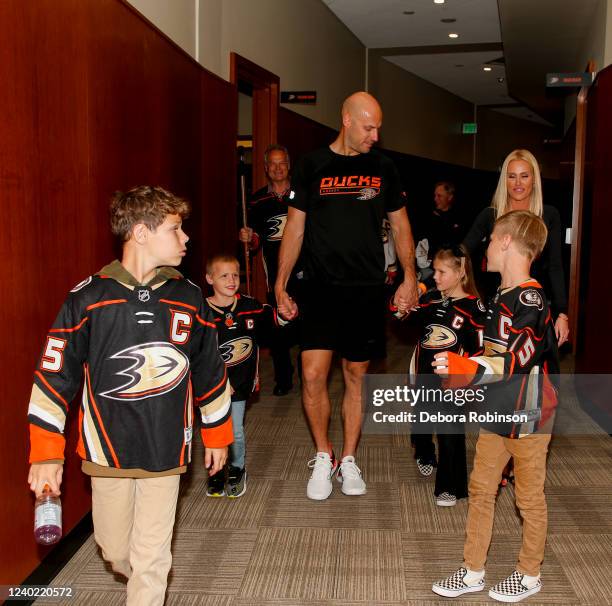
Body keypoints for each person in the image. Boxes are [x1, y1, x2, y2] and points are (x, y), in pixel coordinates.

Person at [27, 186, 232, 606]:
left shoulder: (190, 299)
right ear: (140, 233)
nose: (186, 238)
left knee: (152, 558)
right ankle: (133, 569)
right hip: (106, 451)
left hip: (166, 447)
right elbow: (53, 378)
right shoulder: (87, 299)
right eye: (176, 229)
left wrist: (217, 434)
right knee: (116, 550)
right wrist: (46, 454)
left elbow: (211, 372)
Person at [274, 91, 419, 501]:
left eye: (378, 128)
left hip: (366, 289)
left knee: (356, 377)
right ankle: (324, 454)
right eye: (369, 126)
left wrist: (411, 277)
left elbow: (403, 227)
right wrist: (280, 283)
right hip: (318, 287)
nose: (375, 135)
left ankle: (350, 458)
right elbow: (295, 229)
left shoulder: (383, 167)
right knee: (313, 374)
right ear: (347, 120)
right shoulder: (311, 165)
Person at [431, 210, 559, 603]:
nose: (484, 248)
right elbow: (494, 356)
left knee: (528, 498)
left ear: (505, 242)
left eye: (489, 241)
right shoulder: (501, 296)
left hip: (529, 415)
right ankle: (472, 570)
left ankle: (529, 573)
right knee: (481, 489)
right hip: (497, 412)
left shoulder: (531, 299)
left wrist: (465, 368)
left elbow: (516, 361)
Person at [404, 244, 485, 506]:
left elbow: (479, 350)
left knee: (450, 432)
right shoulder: (430, 300)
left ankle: (451, 486)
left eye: (441, 271)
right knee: (422, 420)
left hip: (452, 382)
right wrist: (402, 303)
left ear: (461, 271)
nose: (435, 276)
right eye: (434, 270)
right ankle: (425, 453)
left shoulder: (475, 308)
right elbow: (403, 316)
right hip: (423, 373)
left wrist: (468, 375)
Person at [463, 150, 569, 347]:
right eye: (511, 176)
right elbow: (461, 254)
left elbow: (556, 265)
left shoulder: (549, 215)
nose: (518, 183)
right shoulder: (490, 216)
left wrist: (562, 313)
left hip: (534, 308)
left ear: (534, 180)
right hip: (494, 307)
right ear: (505, 181)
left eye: (524, 176)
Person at [203, 253, 288, 498]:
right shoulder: (201, 311)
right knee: (213, 428)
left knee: (236, 430)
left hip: (240, 382)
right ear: (210, 279)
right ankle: (216, 470)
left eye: (235, 275)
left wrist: (285, 314)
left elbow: (274, 324)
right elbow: (197, 352)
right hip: (211, 385)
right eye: (223, 276)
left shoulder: (250, 306)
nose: (231, 280)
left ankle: (237, 468)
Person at [239, 144, 301, 396]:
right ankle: (283, 379)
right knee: (278, 330)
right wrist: (248, 237)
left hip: (306, 272)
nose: (277, 168)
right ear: (266, 168)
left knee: (307, 329)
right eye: (272, 164)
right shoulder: (257, 201)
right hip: (275, 276)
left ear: (289, 165)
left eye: (282, 163)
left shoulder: (303, 195)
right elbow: (255, 243)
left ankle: (309, 374)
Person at [415, 181, 464, 283]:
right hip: (429, 268)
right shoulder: (428, 216)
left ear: (449, 197)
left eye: (439, 196)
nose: (435, 199)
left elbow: (459, 244)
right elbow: (421, 242)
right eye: (435, 195)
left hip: (450, 269)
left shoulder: (458, 217)